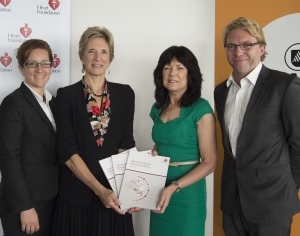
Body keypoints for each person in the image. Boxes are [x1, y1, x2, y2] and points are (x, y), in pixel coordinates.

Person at [214, 16, 300, 236]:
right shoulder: (221, 91)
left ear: (262, 48)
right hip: (232, 204)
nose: (238, 52)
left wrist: (286, 189)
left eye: (247, 45)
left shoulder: (284, 85)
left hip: (272, 203)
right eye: (231, 46)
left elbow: (298, 145)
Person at [52, 26, 137, 236]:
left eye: (104, 52)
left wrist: (132, 193)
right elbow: (67, 152)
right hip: (77, 199)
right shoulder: (66, 96)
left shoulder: (125, 94)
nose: (97, 57)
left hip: (115, 199)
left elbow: (126, 144)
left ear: (111, 58)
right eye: (91, 51)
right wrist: (100, 190)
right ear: (81, 56)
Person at [149, 46, 217, 236]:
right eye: (167, 67)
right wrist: (155, 152)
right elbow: (166, 140)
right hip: (158, 191)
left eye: (180, 67)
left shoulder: (201, 108)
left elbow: (210, 163)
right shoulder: (157, 108)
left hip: (187, 195)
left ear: (190, 74)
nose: (173, 73)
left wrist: (174, 187)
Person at [0, 39, 58, 235]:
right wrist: (24, 207)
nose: (39, 69)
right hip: (26, 207)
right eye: (32, 63)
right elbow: (9, 158)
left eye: (45, 63)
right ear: (21, 68)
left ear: (52, 66)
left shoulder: (54, 103)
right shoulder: (13, 104)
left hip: (51, 200)